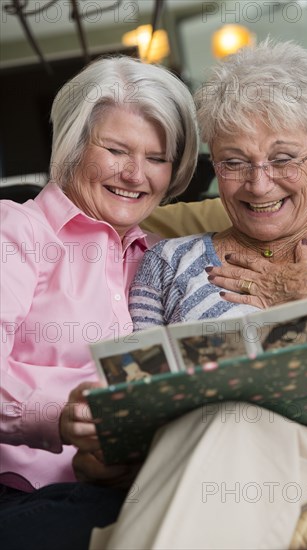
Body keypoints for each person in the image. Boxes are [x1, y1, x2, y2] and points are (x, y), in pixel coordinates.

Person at [87, 39, 307, 550]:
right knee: (218, 424)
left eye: (282, 159)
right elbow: (140, 386)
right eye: (235, 163)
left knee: (230, 426)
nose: (259, 186)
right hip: (191, 446)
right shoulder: (168, 262)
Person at [0, 55, 198, 549]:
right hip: (22, 490)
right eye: (116, 150)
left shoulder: (162, 259)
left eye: (157, 158)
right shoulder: (18, 230)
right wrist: (56, 415)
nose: (135, 174)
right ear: (72, 144)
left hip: (129, 484)